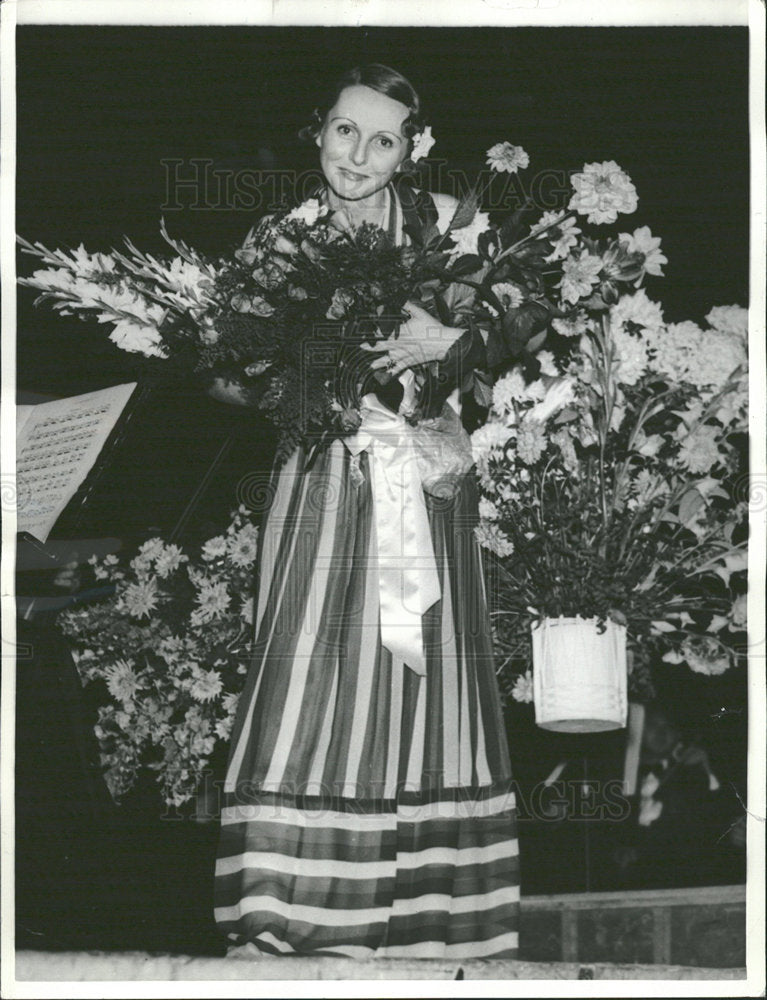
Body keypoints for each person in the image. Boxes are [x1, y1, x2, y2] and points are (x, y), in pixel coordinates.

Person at [213, 63, 520, 959]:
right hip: (323, 481)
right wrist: (305, 384)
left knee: (431, 672)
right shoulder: (279, 239)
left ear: (409, 151)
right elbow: (224, 371)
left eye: (382, 139)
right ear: (318, 132)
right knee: (310, 672)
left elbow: (513, 325)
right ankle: (290, 906)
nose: (358, 155)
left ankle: (433, 922)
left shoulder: (443, 230)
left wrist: (458, 339)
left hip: (425, 482)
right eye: (344, 132)